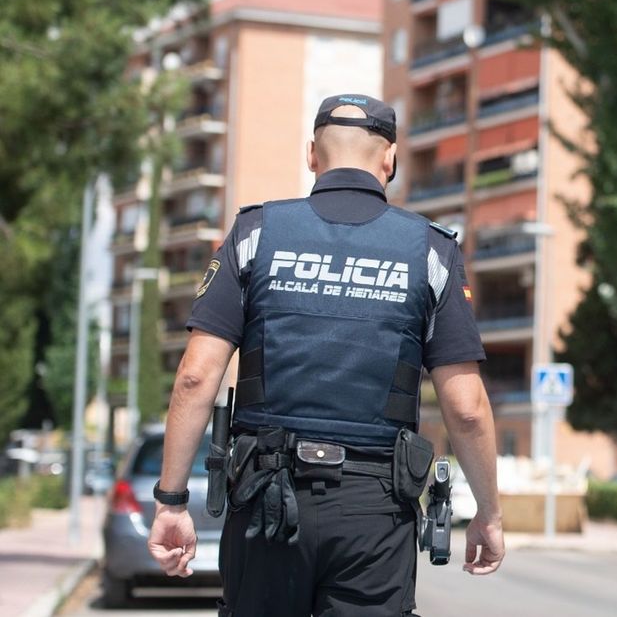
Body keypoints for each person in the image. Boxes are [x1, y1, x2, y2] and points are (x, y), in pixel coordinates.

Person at [147, 94, 505, 616]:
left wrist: (172, 500)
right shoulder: (431, 251)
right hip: (375, 512)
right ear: (391, 161)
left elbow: (195, 378)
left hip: (266, 501)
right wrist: (488, 514)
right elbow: (467, 407)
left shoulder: (255, 235)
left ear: (311, 154)